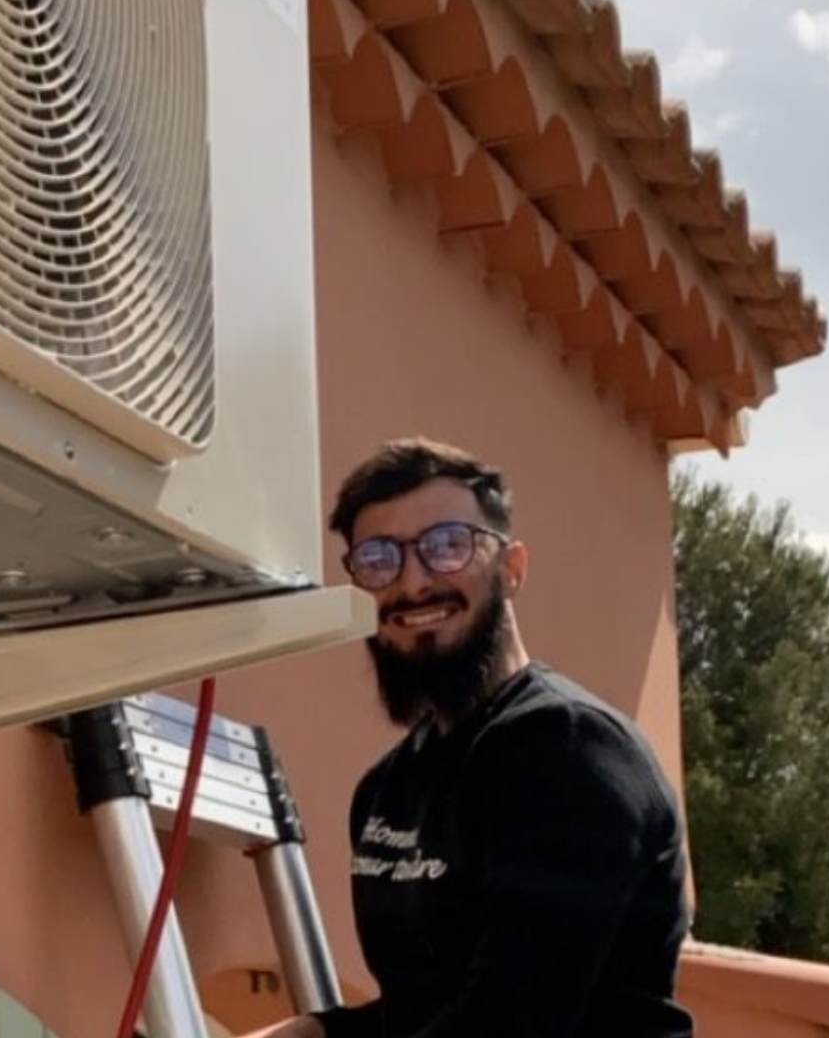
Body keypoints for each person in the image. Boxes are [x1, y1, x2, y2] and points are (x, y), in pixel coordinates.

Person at [255, 438, 693, 1038]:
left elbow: (509, 1025)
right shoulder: (387, 788)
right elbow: (422, 1010)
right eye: (379, 558)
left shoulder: (569, 750)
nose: (413, 583)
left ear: (511, 569)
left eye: (446, 547)